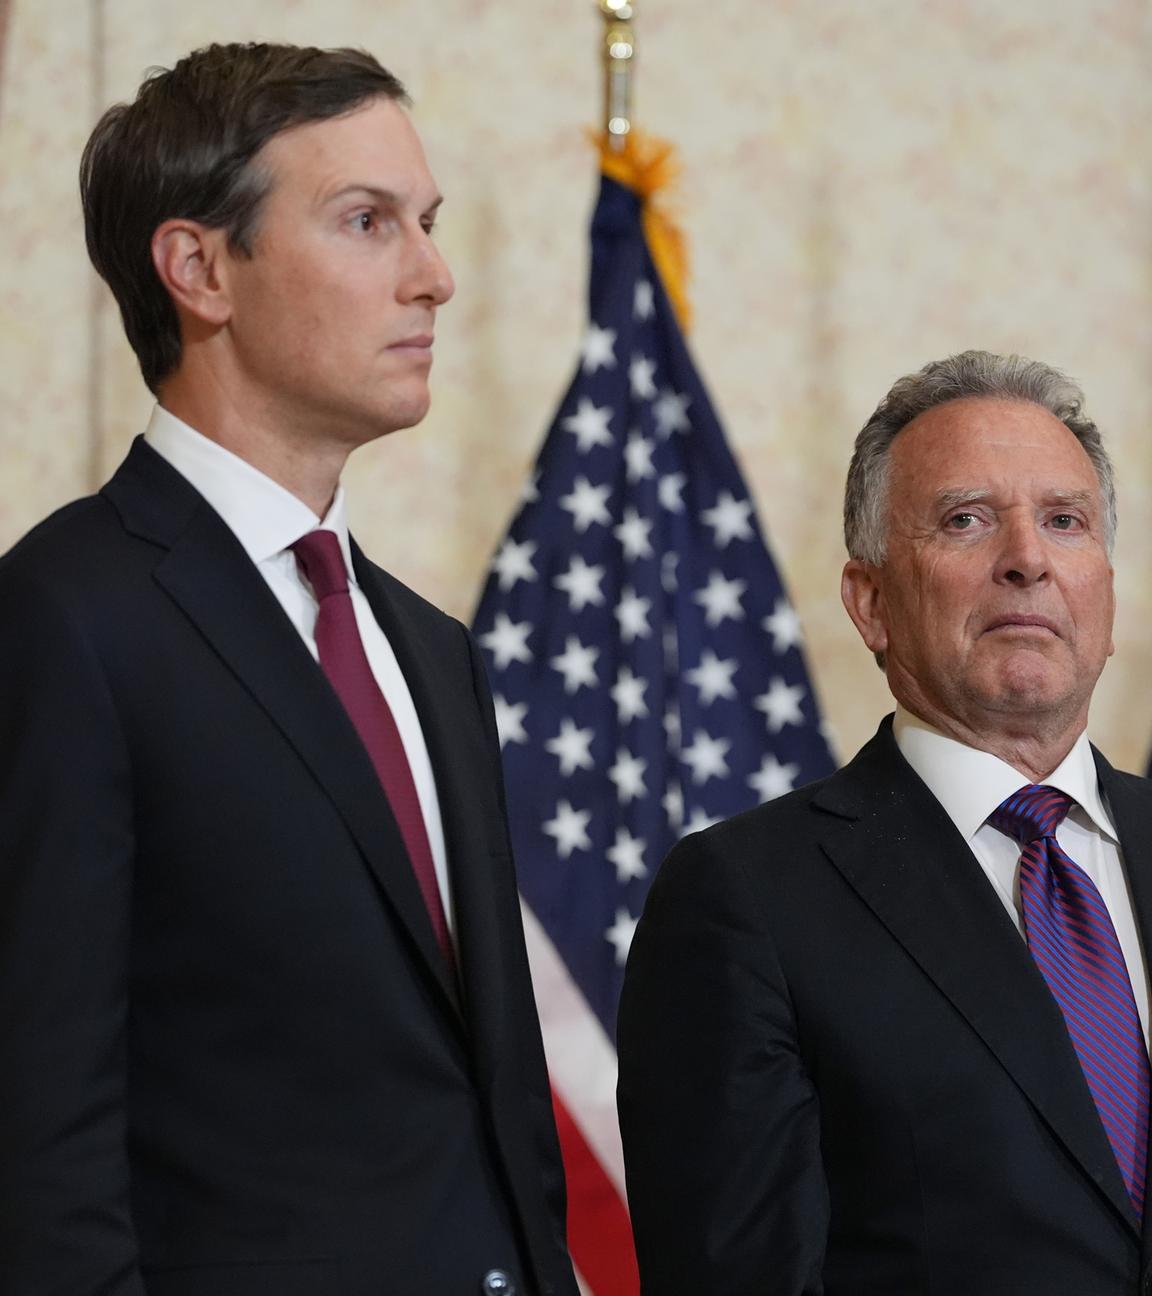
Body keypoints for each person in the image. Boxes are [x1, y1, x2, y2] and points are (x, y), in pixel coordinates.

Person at [0, 42, 576, 1296]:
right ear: (200, 268)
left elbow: (492, 1097)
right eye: (369, 223)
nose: (436, 277)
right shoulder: (62, 618)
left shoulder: (431, 649)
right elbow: (37, 1142)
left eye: (427, 224)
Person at [617, 350, 1152, 1294]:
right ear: (870, 604)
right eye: (967, 520)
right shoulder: (746, 899)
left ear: (1106, 592)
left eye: (1064, 522)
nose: (1027, 558)